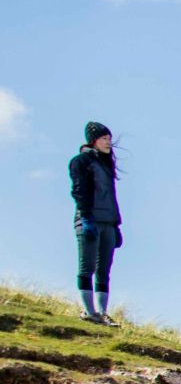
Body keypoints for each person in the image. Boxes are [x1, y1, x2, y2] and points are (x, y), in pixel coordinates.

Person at [69, 121, 123, 326]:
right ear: (93, 141)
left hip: (108, 222)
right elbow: (79, 191)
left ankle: (102, 312)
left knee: (104, 269)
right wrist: (85, 217)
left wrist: (116, 224)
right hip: (89, 220)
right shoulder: (81, 162)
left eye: (109, 139)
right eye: (104, 139)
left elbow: (112, 196)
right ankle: (89, 311)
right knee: (87, 266)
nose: (108, 142)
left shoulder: (107, 165)